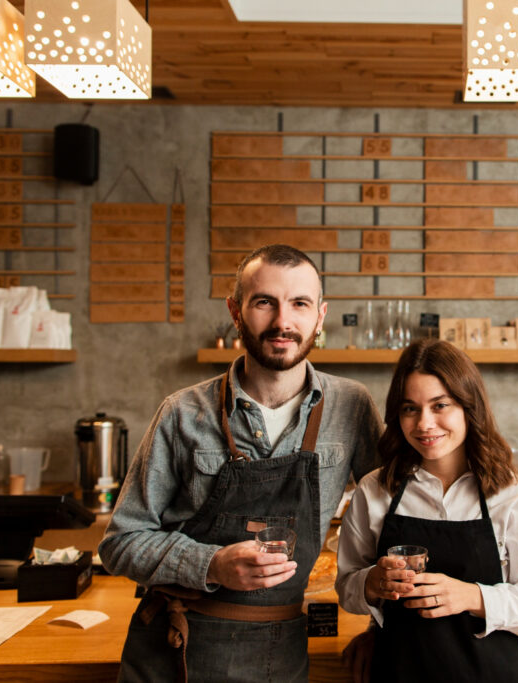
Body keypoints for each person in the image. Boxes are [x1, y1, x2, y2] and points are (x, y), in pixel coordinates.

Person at [99, 244, 382, 682]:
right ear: (236, 311)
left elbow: (393, 527)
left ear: (320, 316)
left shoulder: (352, 407)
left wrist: (377, 627)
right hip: (176, 649)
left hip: (280, 651)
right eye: (264, 302)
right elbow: (120, 542)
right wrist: (211, 564)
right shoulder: (182, 413)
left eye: (300, 304)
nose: (283, 322)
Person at [335, 338, 518, 682]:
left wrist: (473, 596)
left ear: (469, 407)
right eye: (410, 408)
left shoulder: (514, 496)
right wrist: (371, 583)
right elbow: (346, 588)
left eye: (440, 405)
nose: (424, 423)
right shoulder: (375, 491)